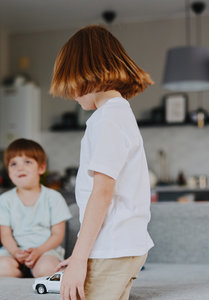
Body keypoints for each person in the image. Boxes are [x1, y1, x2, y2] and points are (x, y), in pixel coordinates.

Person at [49, 25, 154, 300]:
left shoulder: (107, 118)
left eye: (70, 82)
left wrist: (80, 259)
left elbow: (102, 193)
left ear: (86, 71)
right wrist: (79, 257)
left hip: (112, 248)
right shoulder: (118, 114)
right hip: (119, 247)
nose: (71, 93)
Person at [0, 138, 72, 278]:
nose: (20, 168)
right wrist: (16, 252)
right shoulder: (4, 200)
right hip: (14, 252)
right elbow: (5, 235)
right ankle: (19, 284)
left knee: (47, 269)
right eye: (13, 164)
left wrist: (39, 251)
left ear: (41, 168)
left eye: (27, 162)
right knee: (1, 268)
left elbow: (58, 235)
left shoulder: (53, 198)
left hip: (45, 251)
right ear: (9, 172)